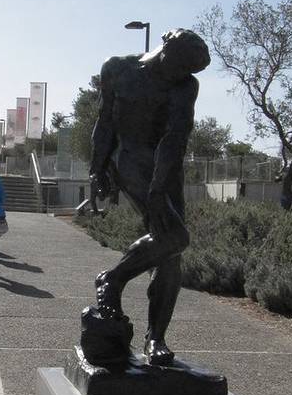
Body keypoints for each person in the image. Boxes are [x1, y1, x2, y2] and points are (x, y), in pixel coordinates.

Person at [88, 28, 210, 366]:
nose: (182, 75)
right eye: (181, 66)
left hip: (166, 167)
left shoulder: (185, 86)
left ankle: (155, 337)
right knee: (175, 236)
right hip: (127, 158)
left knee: (172, 252)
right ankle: (113, 279)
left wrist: (158, 189)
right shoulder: (117, 68)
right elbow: (104, 122)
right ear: (166, 47)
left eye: (189, 71)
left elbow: (175, 139)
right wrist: (97, 169)